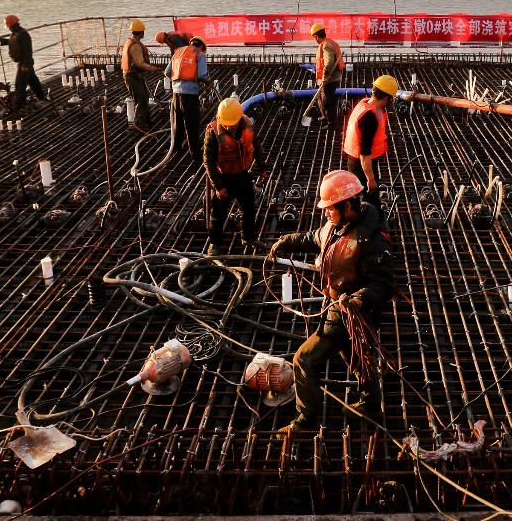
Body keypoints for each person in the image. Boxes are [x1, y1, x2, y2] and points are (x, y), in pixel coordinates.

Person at [269, 170, 396, 433]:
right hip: (340, 307)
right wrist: (287, 242)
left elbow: (383, 284)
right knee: (357, 357)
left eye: (330, 208)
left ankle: (305, 420)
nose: (326, 213)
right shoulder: (337, 224)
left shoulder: (372, 240)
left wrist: (359, 299)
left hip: (353, 312)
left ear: (347, 205)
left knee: (304, 359)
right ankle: (371, 406)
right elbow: (315, 237)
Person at [203, 97, 267, 247]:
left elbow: (256, 147)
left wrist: (262, 169)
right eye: (225, 124)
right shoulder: (213, 133)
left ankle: (248, 238)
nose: (228, 127)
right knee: (217, 215)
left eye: (232, 124)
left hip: (243, 175)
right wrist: (218, 186)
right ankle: (215, 244)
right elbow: (209, 162)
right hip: (223, 177)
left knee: (249, 209)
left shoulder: (248, 126)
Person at [342, 74, 398, 212]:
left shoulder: (364, 104)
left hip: (357, 162)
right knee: (370, 201)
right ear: (387, 98)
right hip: (360, 165)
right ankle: (370, 227)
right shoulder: (369, 117)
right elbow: (364, 152)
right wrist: (370, 179)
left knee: (361, 198)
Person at [169, 35, 209, 161]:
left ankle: (176, 150)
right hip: (190, 95)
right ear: (201, 46)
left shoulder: (178, 51)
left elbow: (167, 72)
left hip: (175, 93)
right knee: (192, 125)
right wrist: (209, 83)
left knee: (178, 123)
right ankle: (196, 155)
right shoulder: (199, 54)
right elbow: (202, 75)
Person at [0, 15, 47, 111]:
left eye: (9, 27)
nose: (9, 29)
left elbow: (28, 51)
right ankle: (42, 97)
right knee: (33, 81)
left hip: (25, 63)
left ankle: (19, 104)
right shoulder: (16, 33)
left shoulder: (23, 35)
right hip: (24, 62)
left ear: (12, 25)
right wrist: (2, 40)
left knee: (19, 84)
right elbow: (13, 42)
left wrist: (25, 65)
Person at [121, 19, 161, 129]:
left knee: (145, 97)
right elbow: (140, 63)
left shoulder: (133, 42)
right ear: (141, 32)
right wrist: (154, 68)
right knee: (141, 99)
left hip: (135, 75)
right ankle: (139, 124)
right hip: (132, 75)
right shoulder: (135, 46)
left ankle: (146, 120)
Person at [310, 23, 345, 126]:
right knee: (321, 97)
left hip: (330, 78)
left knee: (328, 99)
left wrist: (325, 75)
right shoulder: (330, 42)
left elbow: (329, 62)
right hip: (327, 78)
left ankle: (332, 122)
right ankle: (325, 115)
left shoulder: (326, 45)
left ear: (316, 37)